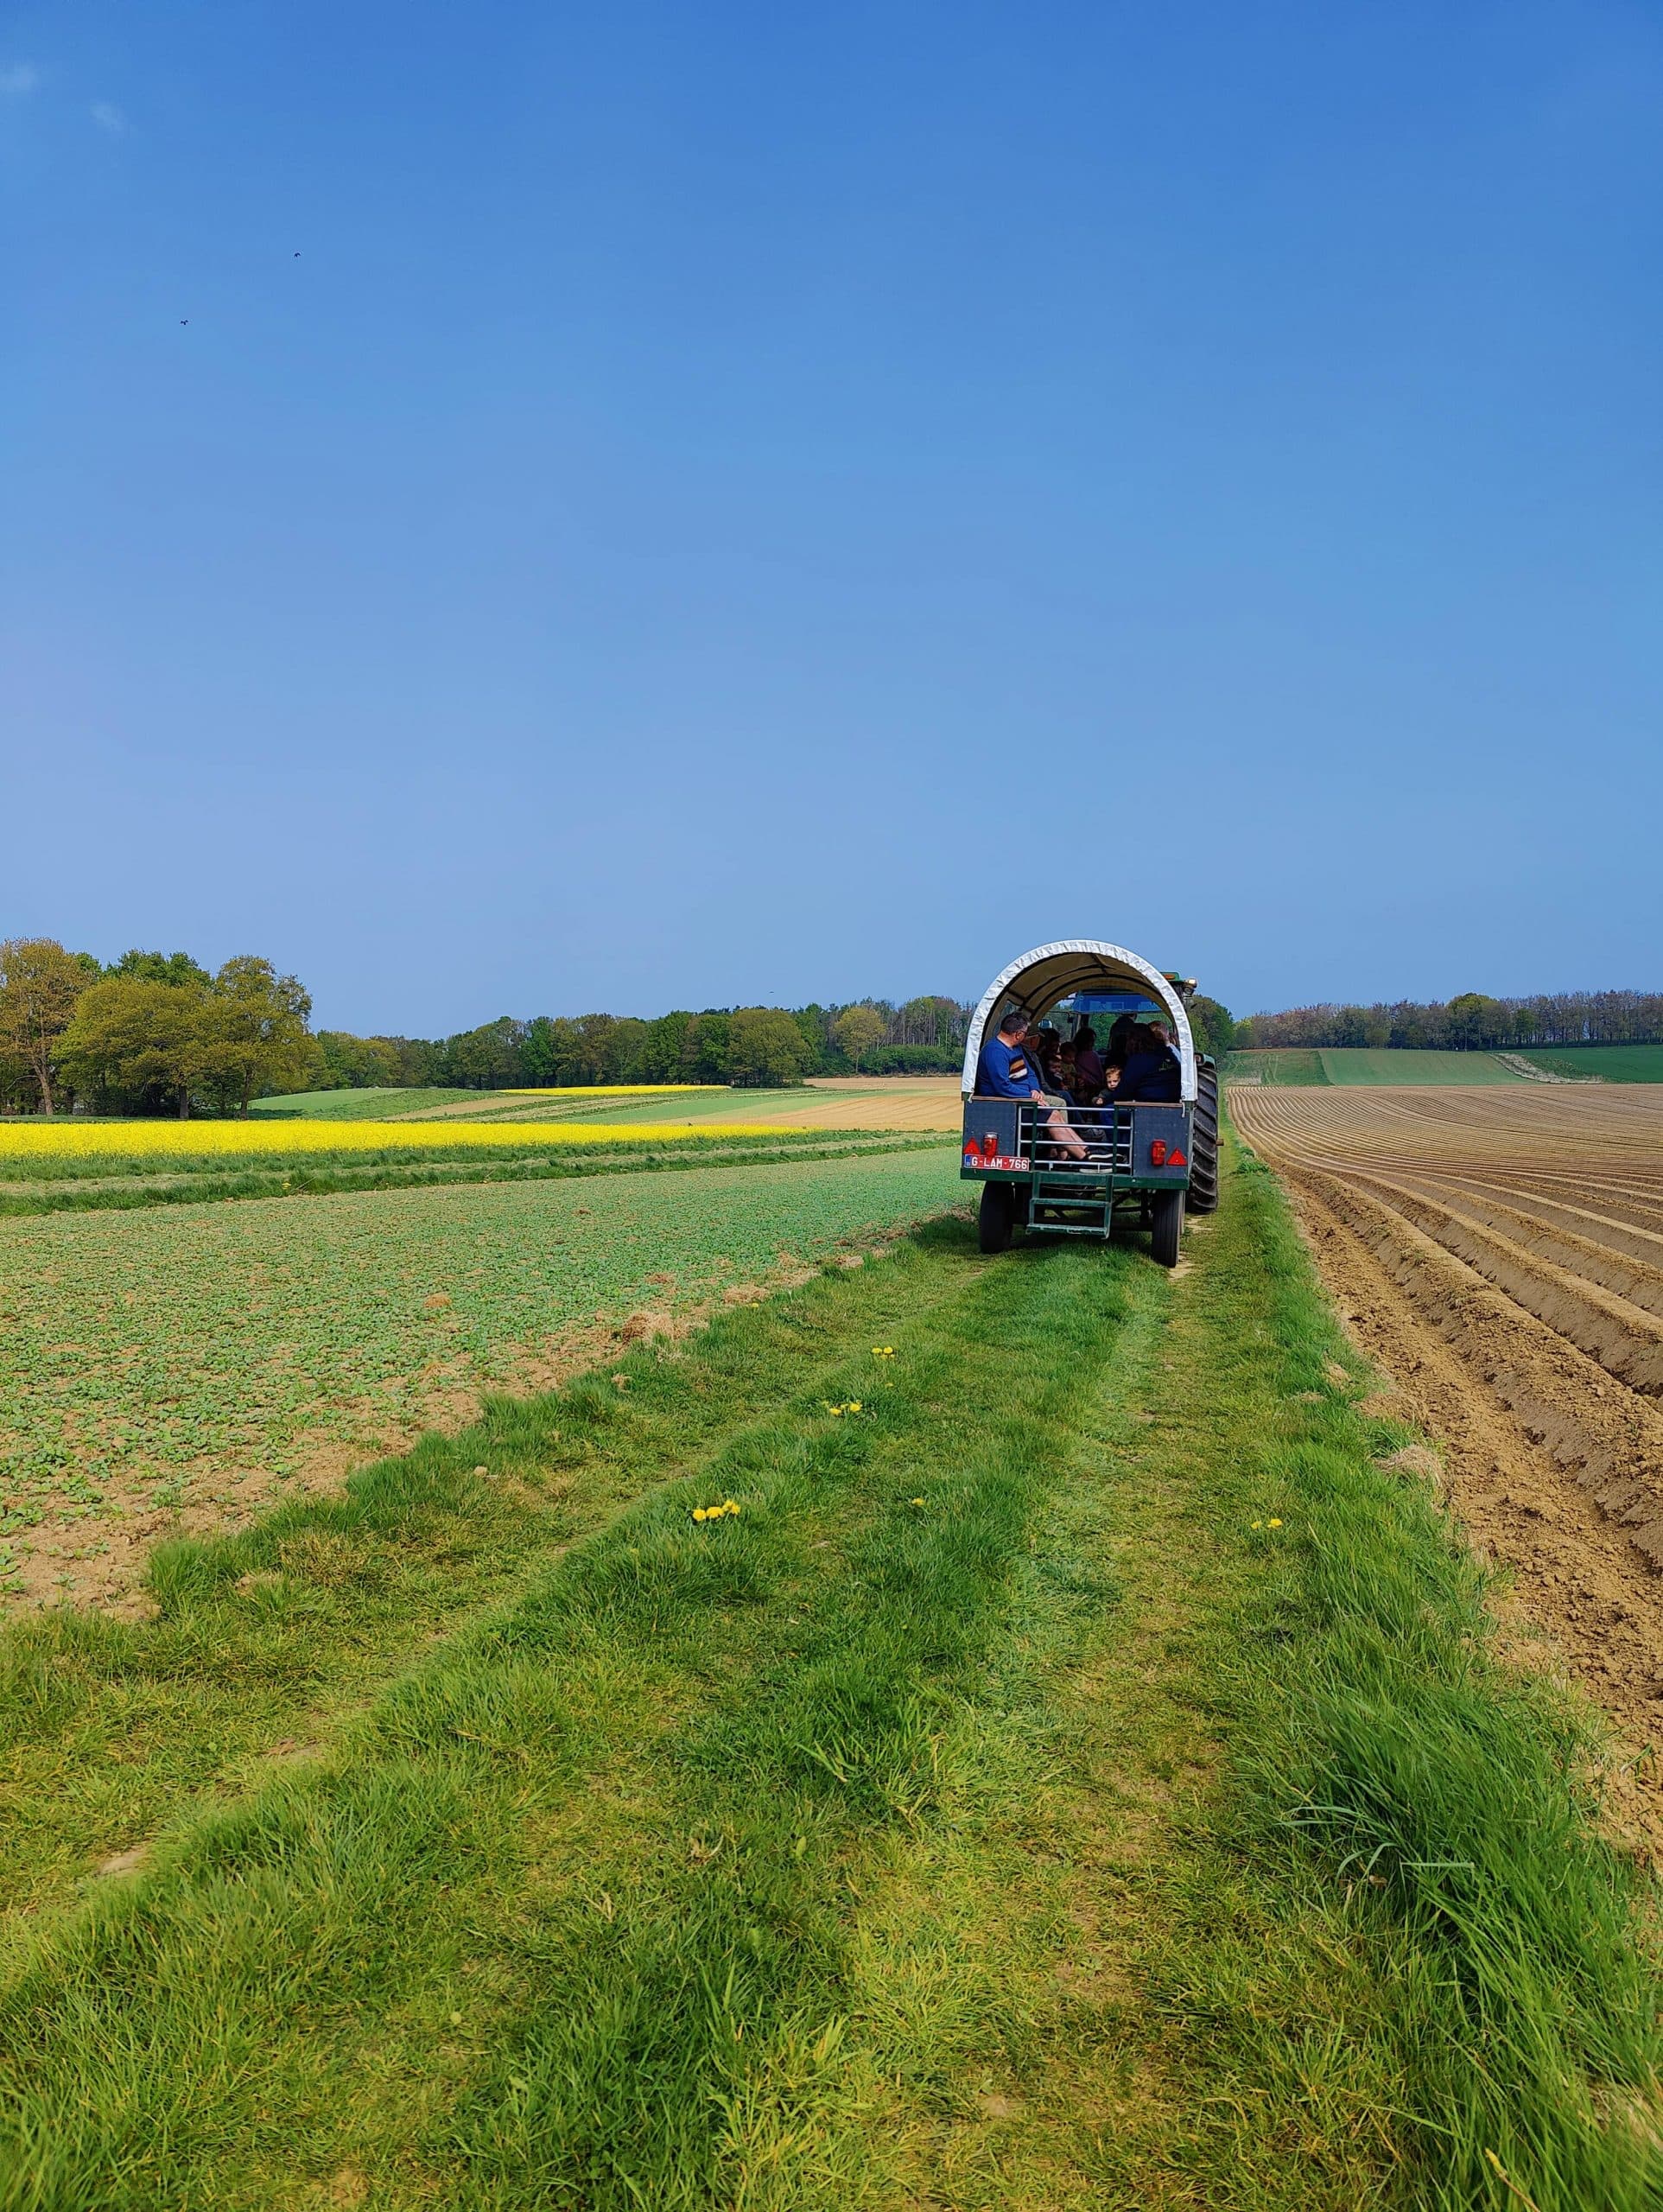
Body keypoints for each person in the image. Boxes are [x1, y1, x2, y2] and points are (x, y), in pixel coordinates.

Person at [974, 1007, 1091, 1160]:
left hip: (1024, 1099)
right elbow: (1002, 1087)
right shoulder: (995, 1051)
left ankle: (1086, 1151)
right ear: (1018, 1034)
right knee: (1052, 1115)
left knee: (1055, 1113)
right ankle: (1081, 1157)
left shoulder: (1016, 1048)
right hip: (1007, 1105)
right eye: (1025, 1034)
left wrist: (1035, 1089)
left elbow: (1029, 1073)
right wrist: (1030, 1096)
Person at [1114, 1020, 1182, 1102]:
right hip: (1174, 1100)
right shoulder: (1170, 1054)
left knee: (1106, 1112)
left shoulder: (1138, 1060)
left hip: (1146, 1103)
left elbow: (1125, 1089)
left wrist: (1104, 1100)